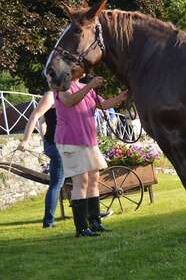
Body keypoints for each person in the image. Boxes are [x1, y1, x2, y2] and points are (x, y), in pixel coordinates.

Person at [54, 75, 128, 237]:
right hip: (70, 140)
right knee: (81, 181)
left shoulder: (86, 87)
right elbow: (69, 101)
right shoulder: (62, 86)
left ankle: (95, 223)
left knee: (93, 180)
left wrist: (123, 96)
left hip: (89, 140)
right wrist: (90, 86)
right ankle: (81, 228)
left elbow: (103, 105)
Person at [18, 91, 64, 228]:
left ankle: (90, 213)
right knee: (57, 184)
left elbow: (43, 122)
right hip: (58, 145)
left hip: (59, 143)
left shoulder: (66, 93)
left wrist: (45, 140)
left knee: (75, 180)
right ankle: (48, 222)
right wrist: (26, 140)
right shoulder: (51, 95)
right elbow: (36, 116)